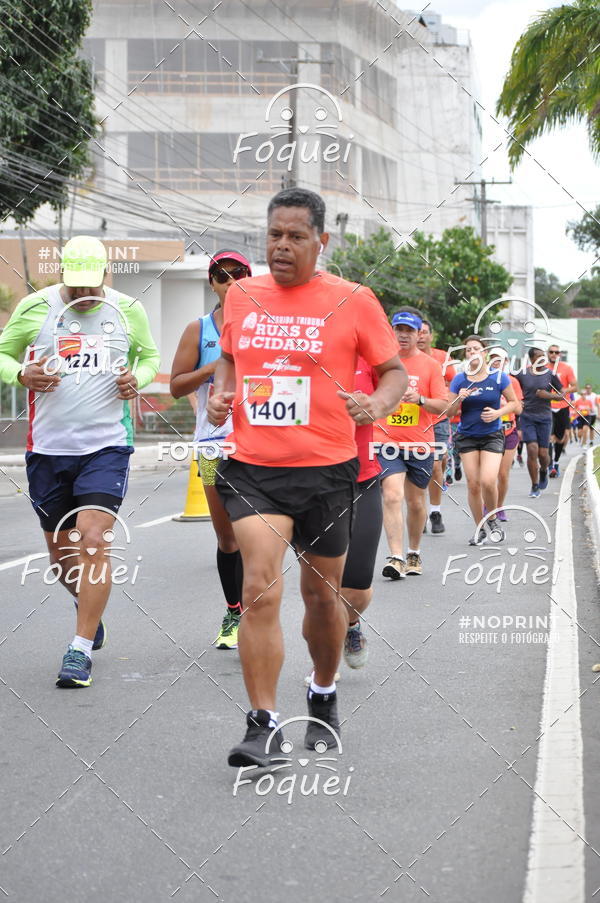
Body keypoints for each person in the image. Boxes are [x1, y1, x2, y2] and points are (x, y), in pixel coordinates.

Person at [207, 187, 405, 767]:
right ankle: (263, 724)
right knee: (258, 589)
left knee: (322, 595)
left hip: (328, 471)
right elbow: (230, 357)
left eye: (296, 236)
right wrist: (222, 393)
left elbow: (391, 372)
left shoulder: (353, 300)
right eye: (274, 235)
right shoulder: (242, 296)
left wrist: (377, 406)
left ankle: (322, 693)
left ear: (321, 240)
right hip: (255, 469)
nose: (283, 246)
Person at [0, 235, 159, 687]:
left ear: (106, 274)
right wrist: (20, 373)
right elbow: (3, 354)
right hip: (48, 450)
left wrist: (138, 379)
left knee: (93, 540)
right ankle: (88, 606)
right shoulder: (36, 308)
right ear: (61, 276)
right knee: (60, 555)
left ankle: (80, 648)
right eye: (76, 287)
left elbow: (149, 358)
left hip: (106, 446)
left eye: (93, 286)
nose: (86, 295)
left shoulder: (128, 310)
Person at [170, 250, 252, 650]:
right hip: (212, 445)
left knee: (257, 535)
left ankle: (257, 612)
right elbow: (176, 385)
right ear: (212, 282)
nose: (231, 280)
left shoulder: (264, 325)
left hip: (259, 445)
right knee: (227, 539)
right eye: (222, 275)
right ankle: (234, 611)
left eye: (239, 274)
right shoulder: (198, 329)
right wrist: (215, 366)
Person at [373, 310, 447, 578]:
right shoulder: (379, 362)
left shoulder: (430, 366)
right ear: (391, 330)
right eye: (398, 329)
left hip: (420, 444)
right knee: (392, 494)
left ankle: (413, 551)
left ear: (419, 334)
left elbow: (445, 406)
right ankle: (395, 556)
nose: (403, 335)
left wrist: (420, 400)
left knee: (416, 502)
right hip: (385, 440)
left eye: (409, 331)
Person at [447, 336, 519, 545]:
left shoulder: (498, 377)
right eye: (468, 350)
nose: (472, 353)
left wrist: (498, 413)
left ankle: (493, 518)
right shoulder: (459, 379)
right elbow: (449, 413)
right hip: (467, 436)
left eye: (476, 349)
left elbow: (514, 404)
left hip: (492, 435)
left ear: (484, 352)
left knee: (488, 480)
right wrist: (458, 399)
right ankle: (480, 528)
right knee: (473, 484)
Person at [417, 318, 456, 534]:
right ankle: (418, 510)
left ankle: (435, 510)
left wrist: (443, 399)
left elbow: (454, 384)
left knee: (435, 465)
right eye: (417, 332)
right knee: (417, 467)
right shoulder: (402, 358)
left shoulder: (443, 358)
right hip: (412, 422)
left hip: (438, 419)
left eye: (424, 332)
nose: (420, 335)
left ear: (431, 336)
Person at [516, 347, 563, 498]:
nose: (542, 359)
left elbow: (562, 395)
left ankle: (544, 470)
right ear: (531, 359)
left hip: (544, 418)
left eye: (543, 356)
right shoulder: (522, 375)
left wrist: (547, 395)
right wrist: (517, 402)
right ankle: (534, 485)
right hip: (527, 416)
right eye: (538, 357)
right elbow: (510, 388)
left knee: (543, 453)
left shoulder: (550, 375)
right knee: (531, 449)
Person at [488, 348, 523, 522]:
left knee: (502, 474)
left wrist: (505, 404)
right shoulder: (484, 380)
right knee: (489, 474)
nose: (496, 363)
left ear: (506, 362)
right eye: (493, 359)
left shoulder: (513, 382)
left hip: (509, 430)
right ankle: (489, 504)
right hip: (489, 432)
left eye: (500, 360)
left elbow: (519, 408)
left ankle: (499, 506)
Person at [547, 345, 577, 477]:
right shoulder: (542, 368)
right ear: (547, 353)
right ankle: (550, 466)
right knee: (547, 436)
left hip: (563, 406)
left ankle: (556, 462)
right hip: (547, 407)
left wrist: (565, 390)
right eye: (551, 352)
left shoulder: (567, 368)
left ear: (560, 354)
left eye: (556, 352)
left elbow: (575, 386)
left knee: (560, 438)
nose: (554, 354)